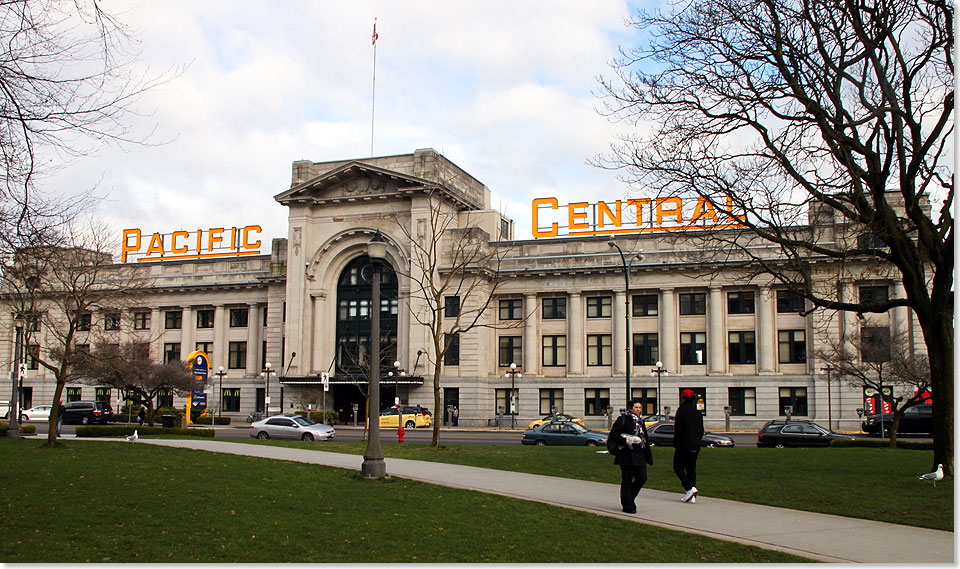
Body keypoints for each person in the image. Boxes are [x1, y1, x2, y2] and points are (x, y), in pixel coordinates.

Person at [608, 400, 653, 513]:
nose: (638, 409)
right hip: (627, 454)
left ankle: (629, 498)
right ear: (631, 408)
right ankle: (627, 504)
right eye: (636, 407)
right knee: (627, 480)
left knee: (642, 478)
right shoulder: (623, 419)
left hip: (640, 453)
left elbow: (645, 439)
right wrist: (626, 440)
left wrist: (648, 456)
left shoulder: (641, 422)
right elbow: (614, 433)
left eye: (640, 407)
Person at [674, 389, 705, 503]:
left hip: (683, 445)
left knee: (678, 467)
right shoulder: (697, 412)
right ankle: (692, 495)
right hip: (695, 445)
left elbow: (678, 430)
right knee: (691, 469)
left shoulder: (681, 411)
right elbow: (700, 430)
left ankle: (689, 488)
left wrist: (677, 443)